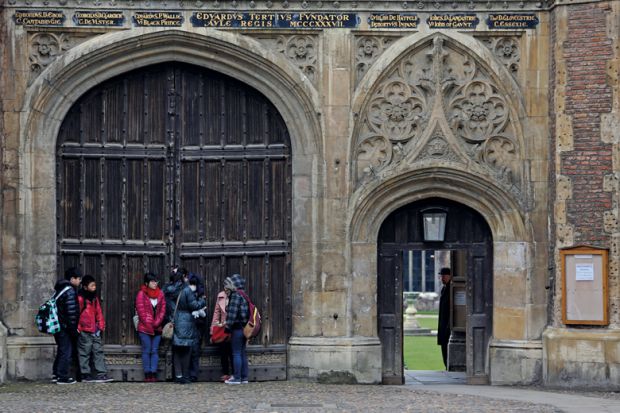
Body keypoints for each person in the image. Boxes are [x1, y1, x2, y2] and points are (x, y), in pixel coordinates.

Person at [163, 268, 206, 384]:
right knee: (186, 350)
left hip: (173, 321)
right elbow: (194, 305)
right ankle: (186, 377)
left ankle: (178, 376)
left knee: (176, 350)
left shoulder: (167, 289)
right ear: (183, 277)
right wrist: (202, 301)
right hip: (186, 321)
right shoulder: (186, 290)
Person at [77, 275, 113, 383]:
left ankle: (101, 374)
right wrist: (78, 328)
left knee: (98, 351)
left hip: (95, 330)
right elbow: (76, 314)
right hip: (84, 330)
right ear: (85, 287)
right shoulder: (80, 298)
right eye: (92, 285)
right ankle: (85, 374)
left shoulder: (94, 298)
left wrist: (101, 325)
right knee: (84, 352)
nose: (94, 287)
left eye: (95, 285)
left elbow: (99, 312)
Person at [52, 267, 82, 384]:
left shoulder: (61, 289)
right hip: (65, 327)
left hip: (59, 326)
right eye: (78, 278)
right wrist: (74, 330)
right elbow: (71, 313)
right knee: (66, 351)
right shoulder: (69, 291)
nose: (79, 281)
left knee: (62, 349)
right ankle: (62, 376)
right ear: (72, 279)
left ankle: (56, 373)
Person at [136, 272, 166, 382]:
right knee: (147, 350)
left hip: (157, 327)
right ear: (146, 283)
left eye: (156, 281)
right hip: (144, 328)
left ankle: (153, 373)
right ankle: (147, 373)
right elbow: (141, 311)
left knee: (154, 350)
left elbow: (163, 309)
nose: (155, 283)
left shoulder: (160, 294)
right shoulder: (141, 294)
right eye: (152, 281)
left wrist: (157, 323)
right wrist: (149, 324)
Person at [224, 274, 250, 385]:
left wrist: (227, 327)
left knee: (236, 353)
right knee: (242, 353)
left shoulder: (235, 295)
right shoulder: (244, 295)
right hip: (244, 328)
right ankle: (244, 377)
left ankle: (237, 377)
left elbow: (232, 314)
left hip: (237, 328)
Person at [188, 273, 207, 382]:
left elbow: (204, 312)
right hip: (189, 325)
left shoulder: (200, 295)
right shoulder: (187, 294)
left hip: (198, 325)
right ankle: (188, 373)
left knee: (195, 351)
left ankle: (193, 374)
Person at [210, 288, 233, 382]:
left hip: (232, 327)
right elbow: (216, 313)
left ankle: (235, 374)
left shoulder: (235, 295)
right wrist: (213, 329)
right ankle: (226, 373)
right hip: (223, 328)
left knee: (233, 352)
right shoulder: (221, 296)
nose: (226, 288)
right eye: (225, 286)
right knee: (223, 352)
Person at [437, 267, 452, 370]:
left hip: (448, 325)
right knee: (443, 347)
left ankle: (449, 366)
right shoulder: (445, 288)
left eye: (443, 276)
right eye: (441, 276)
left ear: (449, 276)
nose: (442, 278)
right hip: (443, 324)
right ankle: (447, 367)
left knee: (446, 347)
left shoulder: (452, 288)